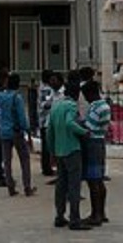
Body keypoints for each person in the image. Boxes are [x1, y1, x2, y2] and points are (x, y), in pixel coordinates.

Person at [47, 80, 91, 231]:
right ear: (77, 93)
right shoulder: (72, 106)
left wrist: (51, 150)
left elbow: (49, 130)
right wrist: (84, 132)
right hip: (72, 149)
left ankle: (59, 216)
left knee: (61, 185)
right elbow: (69, 123)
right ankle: (74, 219)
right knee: (74, 186)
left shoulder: (56, 106)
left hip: (59, 150)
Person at [0, 72, 35, 197]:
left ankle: (10, 186)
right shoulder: (17, 97)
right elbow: (22, 117)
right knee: (24, 160)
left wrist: (3, 88)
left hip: (4, 131)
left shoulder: (2, 96)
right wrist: (27, 129)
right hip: (16, 132)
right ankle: (27, 186)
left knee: (7, 160)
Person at [82, 80, 110, 226]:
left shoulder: (96, 107)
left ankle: (96, 214)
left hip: (92, 143)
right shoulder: (105, 105)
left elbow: (88, 128)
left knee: (93, 180)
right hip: (100, 142)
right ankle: (102, 212)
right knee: (98, 179)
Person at [37, 70, 56, 177]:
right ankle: (47, 168)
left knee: (46, 145)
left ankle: (47, 166)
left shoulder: (43, 88)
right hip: (46, 121)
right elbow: (45, 105)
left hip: (45, 120)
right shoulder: (46, 90)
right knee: (47, 146)